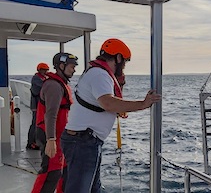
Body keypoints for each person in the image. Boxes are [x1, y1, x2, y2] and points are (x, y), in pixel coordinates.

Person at [61, 38, 161, 193]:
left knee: (94, 189)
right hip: (82, 142)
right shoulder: (99, 75)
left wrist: (119, 84)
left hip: (85, 141)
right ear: (118, 58)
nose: (124, 66)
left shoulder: (96, 72)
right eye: (125, 62)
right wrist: (143, 104)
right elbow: (108, 103)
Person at [31, 52, 78, 193]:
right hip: (51, 136)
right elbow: (51, 114)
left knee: (63, 172)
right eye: (72, 66)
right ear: (61, 66)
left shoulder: (60, 83)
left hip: (59, 136)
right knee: (51, 173)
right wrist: (50, 140)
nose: (74, 69)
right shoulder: (54, 86)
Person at [27, 62, 50, 150]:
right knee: (34, 124)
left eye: (46, 70)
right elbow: (43, 87)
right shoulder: (36, 79)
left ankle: (37, 141)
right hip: (36, 106)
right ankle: (31, 142)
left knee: (39, 123)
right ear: (40, 70)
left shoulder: (43, 78)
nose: (45, 72)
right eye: (44, 70)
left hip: (41, 105)